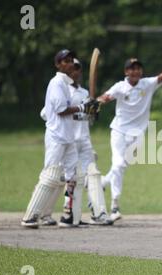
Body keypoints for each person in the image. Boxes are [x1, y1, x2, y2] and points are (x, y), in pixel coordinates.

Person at [97, 43, 162, 222]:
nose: (135, 71)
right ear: (126, 72)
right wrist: (96, 102)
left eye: (138, 68)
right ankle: (115, 205)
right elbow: (105, 97)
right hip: (119, 131)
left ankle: (102, 183)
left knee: (122, 165)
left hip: (138, 133)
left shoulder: (147, 84)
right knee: (117, 164)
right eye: (132, 69)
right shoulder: (119, 87)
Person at [22, 49, 99, 228]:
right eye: (65, 61)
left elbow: (70, 113)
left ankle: (69, 215)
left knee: (75, 177)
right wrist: (82, 107)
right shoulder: (56, 83)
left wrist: (88, 111)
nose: (70, 63)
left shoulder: (65, 85)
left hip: (68, 138)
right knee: (50, 175)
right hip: (56, 137)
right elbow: (60, 110)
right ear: (58, 64)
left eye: (71, 60)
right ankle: (31, 216)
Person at [39, 58, 112, 226]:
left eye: (78, 68)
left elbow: (89, 118)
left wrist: (93, 111)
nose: (75, 71)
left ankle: (97, 213)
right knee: (60, 177)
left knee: (92, 175)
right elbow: (46, 114)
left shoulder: (85, 93)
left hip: (84, 140)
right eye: (73, 68)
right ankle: (50, 214)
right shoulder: (61, 89)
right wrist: (79, 112)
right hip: (66, 140)